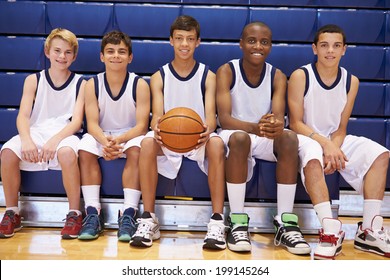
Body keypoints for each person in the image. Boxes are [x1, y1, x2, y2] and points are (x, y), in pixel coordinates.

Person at [288, 24, 390, 260]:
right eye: (324, 45)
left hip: (335, 138)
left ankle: (369, 230)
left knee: (380, 153)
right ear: (315, 48)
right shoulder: (300, 75)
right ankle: (330, 231)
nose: (330, 51)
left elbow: (342, 127)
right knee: (313, 157)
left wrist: (334, 145)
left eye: (336, 46)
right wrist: (326, 145)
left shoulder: (351, 81)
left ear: (344, 50)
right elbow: (295, 123)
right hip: (306, 137)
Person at [130, 15, 226, 250]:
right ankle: (149, 218)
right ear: (171, 41)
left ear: (198, 42)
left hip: (199, 136)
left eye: (190, 39)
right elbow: (157, 117)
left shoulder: (208, 75)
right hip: (169, 136)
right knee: (147, 143)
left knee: (216, 144)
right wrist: (158, 129)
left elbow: (211, 118)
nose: (185, 44)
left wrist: (207, 131)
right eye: (180, 39)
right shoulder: (158, 76)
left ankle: (216, 221)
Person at [216, 21, 311, 255]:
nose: (258, 46)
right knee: (239, 139)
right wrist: (255, 127)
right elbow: (225, 119)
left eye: (264, 42)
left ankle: (285, 222)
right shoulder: (227, 71)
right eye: (251, 40)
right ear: (241, 44)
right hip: (235, 132)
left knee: (289, 139)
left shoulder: (277, 76)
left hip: (260, 134)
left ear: (270, 46)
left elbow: (277, 118)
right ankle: (237, 221)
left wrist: (275, 126)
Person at [0, 28, 86, 239]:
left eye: (67, 52)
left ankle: (74, 213)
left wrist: (55, 140)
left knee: (66, 153)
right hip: (36, 132)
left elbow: (76, 122)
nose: (61, 56)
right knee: (8, 152)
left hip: (66, 134)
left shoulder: (82, 83)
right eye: (57, 51)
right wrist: (27, 140)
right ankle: (12, 212)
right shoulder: (33, 80)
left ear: (74, 56)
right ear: (47, 51)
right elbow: (22, 116)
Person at [77, 31, 150, 241]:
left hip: (130, 135)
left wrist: (119, 141)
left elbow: (142, 126)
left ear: (130, 57)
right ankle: (93, 212)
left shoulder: (140, 85)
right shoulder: (92, 84)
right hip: (102, 135)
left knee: (139, 147)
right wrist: (106, 142)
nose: (115, 56)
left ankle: (128, 213)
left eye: (121, 51)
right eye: (110, 51)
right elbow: (91, 124)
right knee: (84, 148)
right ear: (102, 56)